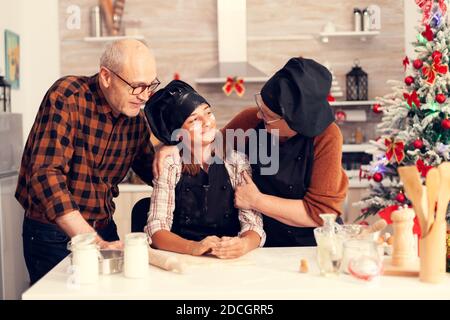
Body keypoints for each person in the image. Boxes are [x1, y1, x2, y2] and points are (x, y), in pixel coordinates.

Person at [154, 57, 348, 249]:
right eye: (260, 107)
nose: (258, 115)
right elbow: (210, 145)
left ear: (295, 122)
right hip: (267, 242)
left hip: (313, 244)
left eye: (268, 116)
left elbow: (322, 213)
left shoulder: (327, 137)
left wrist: (257, 201)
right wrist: (173, 145)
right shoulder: (249, 121)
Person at [15, 39, 159, 284]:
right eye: (137, 86)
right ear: (106, 76)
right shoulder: (68, 96)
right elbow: (46, 174)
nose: (144, 96)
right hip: (52, 235)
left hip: (103, 228)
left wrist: (168, 153)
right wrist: (91, 241)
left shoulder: (135, 120)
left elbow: (152, 170)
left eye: (150, 86)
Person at [143, 80, 265, 259]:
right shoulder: (171, 165)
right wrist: (193, 247)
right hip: (183, 259)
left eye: (208, 112)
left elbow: (253, 225)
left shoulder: (237, 162)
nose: (207, 122)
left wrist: (243, 244)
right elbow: (156, 229)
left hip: (229, 260)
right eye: (194, 120)